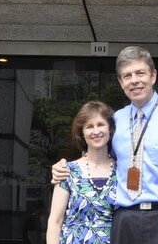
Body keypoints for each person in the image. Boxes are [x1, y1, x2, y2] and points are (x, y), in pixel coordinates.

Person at [52, 46, 158, 244]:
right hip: (124, 221)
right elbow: (96, 159)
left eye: (140, 73)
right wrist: (63, 168)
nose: (134, 80)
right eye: (127, 76)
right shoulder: (115, 121)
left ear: (153, 76)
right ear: (120, 82)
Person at [46, 101, 117, 244]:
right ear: (82, 133)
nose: (96, 131)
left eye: (101, 124)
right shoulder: (66, 171)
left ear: (110, 128)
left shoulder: (122, 171)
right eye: (89, 126)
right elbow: (55, 221)